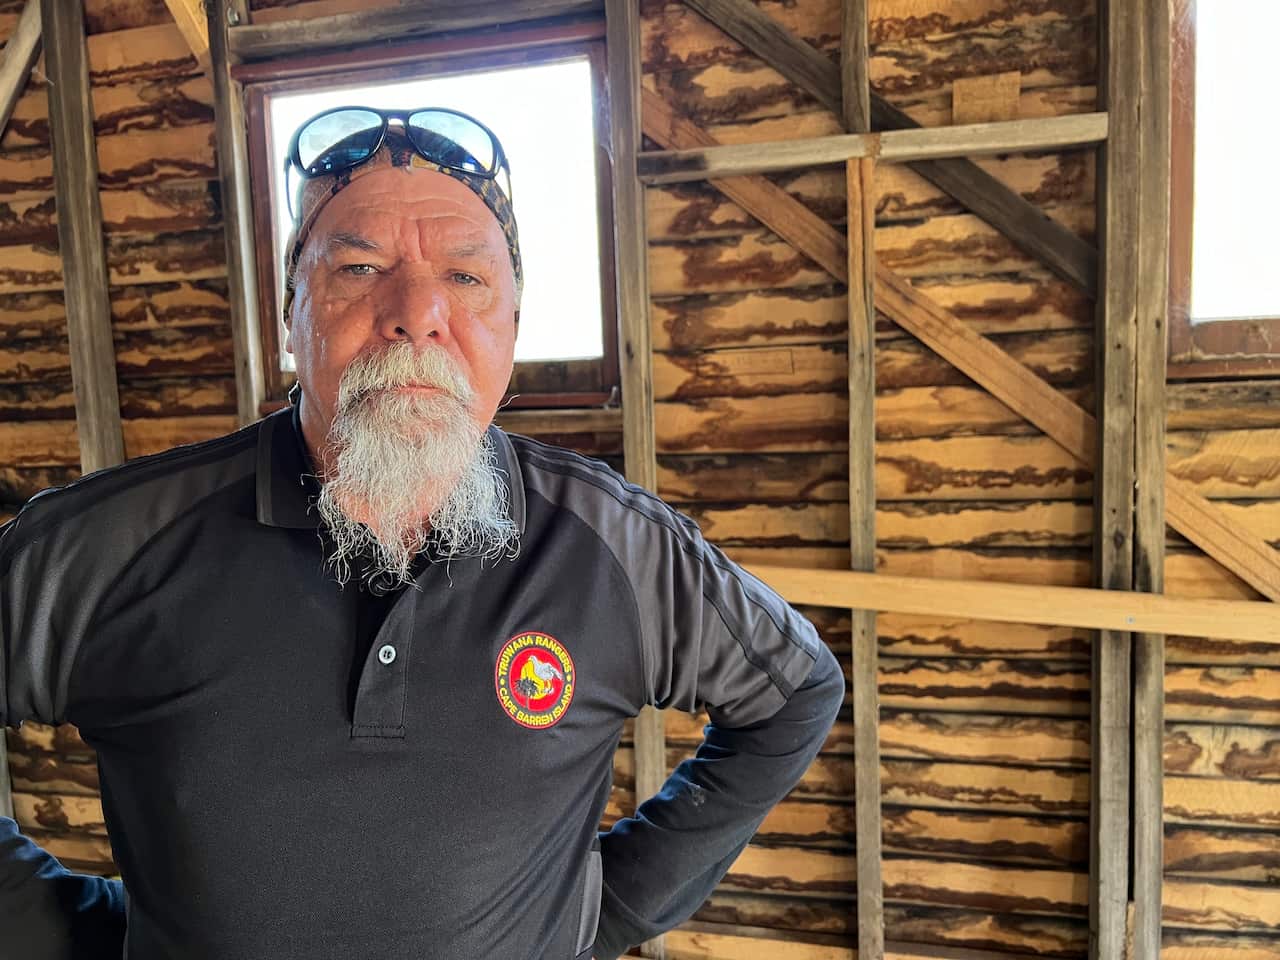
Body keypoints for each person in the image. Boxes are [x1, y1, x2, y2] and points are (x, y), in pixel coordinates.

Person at [0, 105, 844, 960]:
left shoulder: (613, 547)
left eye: (468, 279)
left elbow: (795, 694)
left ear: (515, 325)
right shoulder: (110, 546)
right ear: (292, 312)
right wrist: (57, 934)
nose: (417, 313)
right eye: (360, 268)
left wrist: (605, 910)